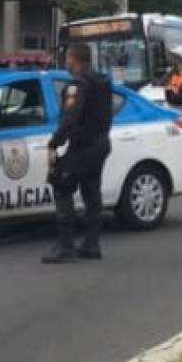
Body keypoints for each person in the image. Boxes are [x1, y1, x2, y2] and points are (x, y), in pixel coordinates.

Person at [43, 44, 114, 264]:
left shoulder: (78, 85)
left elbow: (70, 118)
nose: (66, 63)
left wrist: (54, 143)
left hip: (83, 146)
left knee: (61, 185)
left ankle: (66, 246)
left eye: (67, 58)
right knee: (91, 192)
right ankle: (91, 244)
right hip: (101, 143)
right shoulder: (102, 82)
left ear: (74, 59)